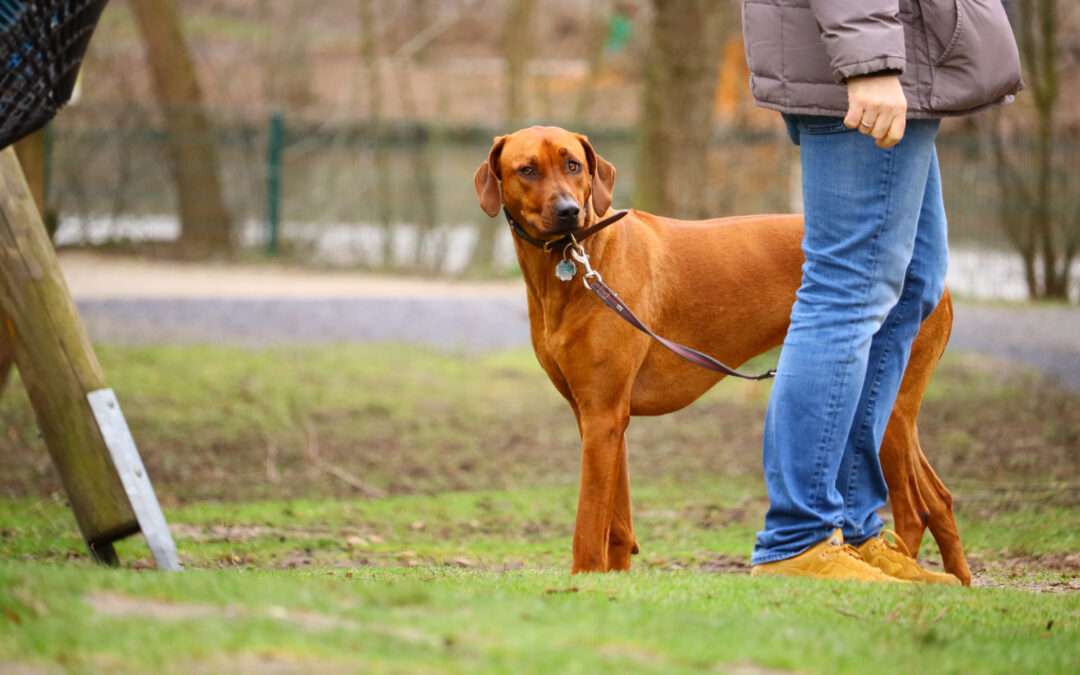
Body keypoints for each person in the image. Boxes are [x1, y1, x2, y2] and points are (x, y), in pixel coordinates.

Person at [740, 1, 1022, 582]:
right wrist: (869, 63)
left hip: (893, 58)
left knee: (912, 283)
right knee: (846, 292)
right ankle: (799, 538)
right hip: (870, 63)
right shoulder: (870, 63)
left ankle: (851, 526)